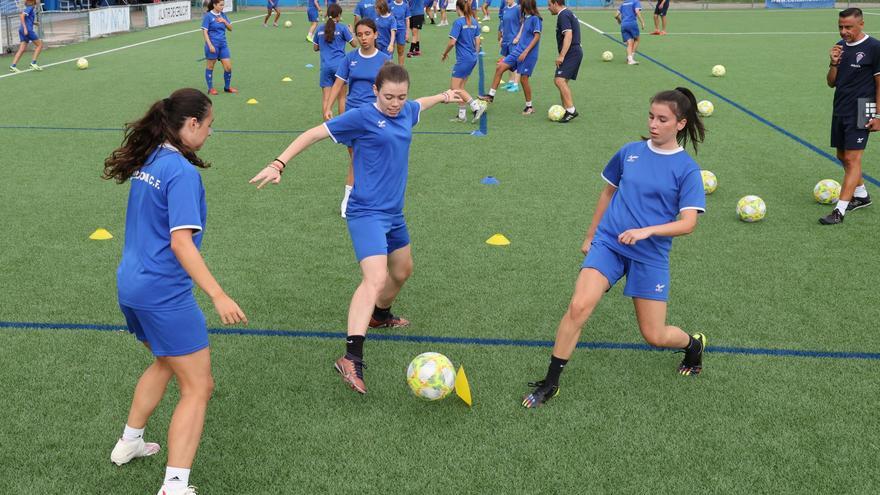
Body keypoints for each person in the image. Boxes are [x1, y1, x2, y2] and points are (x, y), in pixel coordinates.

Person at [249, 65, 463, 395]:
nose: (395, 103)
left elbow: (421, 104)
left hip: (394, 213)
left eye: (400, 96)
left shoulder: (407, 110)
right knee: (375, 278)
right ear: (376, 91)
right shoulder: (361, 117)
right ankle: (351, 357)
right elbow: (313, 134)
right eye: (388, 96)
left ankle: (379, 315)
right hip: (366, 212)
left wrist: (445, 96)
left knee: (402, 272)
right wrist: (279, 164)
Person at [522, 87, 708, 409]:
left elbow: (688, 222)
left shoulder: (687, 169)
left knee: (654, 335)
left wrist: (647, 231)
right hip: (610, 242)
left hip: (650, 254)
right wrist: (591, 235)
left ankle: (693, 345)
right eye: (651, 116)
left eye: (662, 119)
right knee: (579, 307)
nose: (653, 124)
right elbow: (607, 193)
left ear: (680, 123)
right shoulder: (630, 152)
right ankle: (551, 382)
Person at [103, 88, 247, 495]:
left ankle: (129, 442)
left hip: (131, 284)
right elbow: (182, 243)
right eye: (209, 125)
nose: (210, 132)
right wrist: (218, 294)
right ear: (191, 124)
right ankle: (174, 485)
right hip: (163, 293)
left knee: (167, 361)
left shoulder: (152, 158)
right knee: (199, 386)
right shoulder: (182, 173)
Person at [324, 19, 392, 218]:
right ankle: (349, 199)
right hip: (354, 116)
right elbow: (338, 84)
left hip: (377, 116)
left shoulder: (384, 59)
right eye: (360, 34)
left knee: (374, 158)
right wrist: (328, 106)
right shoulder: (350, 58)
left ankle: (369, 196)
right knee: (356, 157)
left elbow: (390, 90)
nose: (363, 38)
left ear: (375, 34)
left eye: (367, 34)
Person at [822, 8, 878, 224]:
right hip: (841, 106)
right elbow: (830, 82)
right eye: (841, 27)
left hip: (865, 106)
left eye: (849, 27)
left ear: (861, 24)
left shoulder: (875, 47)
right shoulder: (841, 46)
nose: (844, 31)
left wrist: (879, 114)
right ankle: (862, 195)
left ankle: (840, 210)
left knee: (853, 159)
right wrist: (834, 62)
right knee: (842, 156)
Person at [480, 0, 541, 116]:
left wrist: (526, 51)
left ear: (526, 5)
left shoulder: (535, 19)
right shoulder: (526, 17)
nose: (520, 5)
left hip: (528, 54)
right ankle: (491, 95)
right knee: (500, 67)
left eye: (522, 4)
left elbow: (537, 36)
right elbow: (522, 27)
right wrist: (517, 38)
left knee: (524, 79)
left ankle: (529, 107)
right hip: (518, 51)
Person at [441, 0, 487, 123]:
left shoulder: (458, 22)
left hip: (463, 59)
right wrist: (475, 54)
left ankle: (476, 107)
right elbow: (478, 41)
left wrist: (445, 53)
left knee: (455, 88)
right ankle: (462, 115)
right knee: (461, 87)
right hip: (472, 58)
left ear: (457, 8)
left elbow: (452, 42)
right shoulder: (474, 21)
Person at [315, 4, 357, 117]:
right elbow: (354, 44)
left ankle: (327, 125)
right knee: (342, 98)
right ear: (338, 15)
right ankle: (342, 126)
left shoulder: (319, 28)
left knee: (326, 99)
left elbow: (315, 47)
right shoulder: (343, 28)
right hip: (340, 67)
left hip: (325, 67)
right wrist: (352, 31)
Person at [549, 0, 582, 122]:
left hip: (571, 52)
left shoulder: (563, 14)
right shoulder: (567, 13)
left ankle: (571, 110)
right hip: (574, 51)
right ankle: (565, 109)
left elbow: (568, 34)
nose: (548, 8)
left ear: (555, 3)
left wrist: (562, 55)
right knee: (561, 81)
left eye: (549, 5)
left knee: (559, 80)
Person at [201, 0, 237, 95]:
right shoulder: (208, 16)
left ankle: (227, 87)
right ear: (214, 5)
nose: (222, 7)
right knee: (210, 67)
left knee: (228, 67)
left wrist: (224, 21)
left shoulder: (223, 15)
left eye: (223, 5)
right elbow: (205, 32)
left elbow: (230, 28)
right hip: (212, 45)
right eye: (221, 5)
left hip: (223, 45)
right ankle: (210, 88)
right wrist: (210, 45)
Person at [8, 0, 43, 73]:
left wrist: (34, 23)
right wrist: (25, 28)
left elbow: (27, 19)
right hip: (27, 30)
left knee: (22, 49)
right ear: (34, 1)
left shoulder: (31, 8)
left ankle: (13, 66)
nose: (39, 0)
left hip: (22, 30)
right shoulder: (30, 8)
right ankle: (33, 63)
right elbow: (22, 16)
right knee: (39, 45)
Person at [497, 0, 521, 92]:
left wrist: (518, 37)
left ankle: (516, 84)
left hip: (514, 40)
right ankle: (511, 82)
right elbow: (503, 24)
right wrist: (502, 37)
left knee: (515, 61)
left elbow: (523, 24)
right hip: (506, 40)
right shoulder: (505, 9)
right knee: (508, 62)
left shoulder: (518, 9)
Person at [615, 0, 645, 65]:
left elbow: (616, 15)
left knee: (629, 42)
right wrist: (642, 22)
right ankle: (632, 56)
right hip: (632, 23)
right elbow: (637, 11)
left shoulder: (624, 3)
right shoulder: (636, 2)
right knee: (637, 39)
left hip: (623, 25)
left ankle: (630, 59)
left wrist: (619, 20)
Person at [390, 0, 411, 64]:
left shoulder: (405, 6)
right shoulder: (390, 5)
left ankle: (400, 70)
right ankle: (389, 70)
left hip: (401, 30)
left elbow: (407, 20)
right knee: (390, 51)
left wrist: (407, 33)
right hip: (391, 30)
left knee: (401, 51)